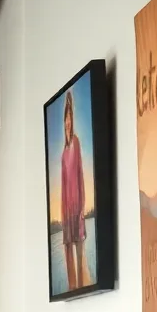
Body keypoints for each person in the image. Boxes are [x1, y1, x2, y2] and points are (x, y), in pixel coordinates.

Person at [59, 89, 92, 292]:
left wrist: (82, 206)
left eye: (70, 119)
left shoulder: (77, 143)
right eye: (65, 120)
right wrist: (63, 213)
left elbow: (80, 175)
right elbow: (62, 187)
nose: (68, 123)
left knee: (79, 248)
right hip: (66, 210)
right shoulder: (63, 153)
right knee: (67, 249)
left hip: (77, 207)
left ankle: (82, 286)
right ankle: (73, 287)